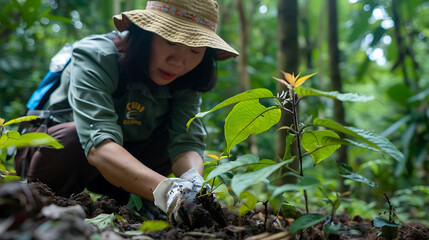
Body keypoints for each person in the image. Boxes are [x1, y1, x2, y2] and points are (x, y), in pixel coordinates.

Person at [14, 0, 238, 227]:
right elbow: (98, 146)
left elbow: (185, 142)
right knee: (72, 138)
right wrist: (167, 190)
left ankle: (134, 203)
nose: (179, 62)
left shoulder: (185, 80)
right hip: (59, 160)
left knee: (166, 139)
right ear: (144, 34)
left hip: (121, 171)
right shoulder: (96, 57)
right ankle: (51, 204)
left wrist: (193, 183)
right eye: (170, 41)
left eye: (194, 50)